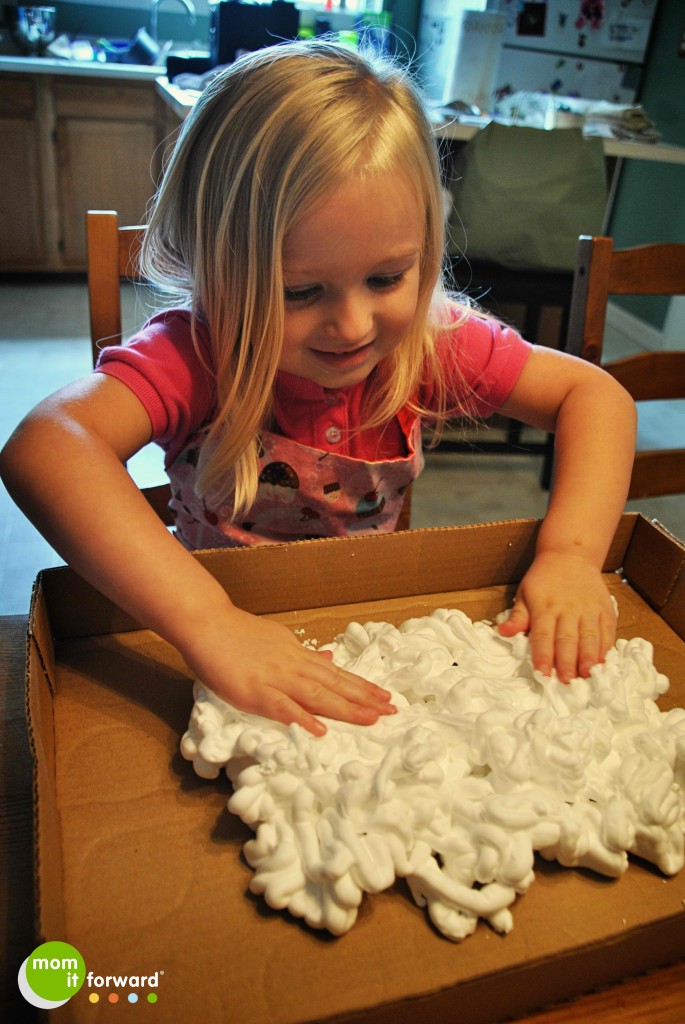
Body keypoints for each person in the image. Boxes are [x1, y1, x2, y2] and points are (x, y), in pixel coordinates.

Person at [0, 40, 636, 737]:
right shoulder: (199, 352)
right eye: (301, 290)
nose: (353, 324)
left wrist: (571, 558)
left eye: (387, 278)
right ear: (217, 269)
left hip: (368, 626)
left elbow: (594, 397)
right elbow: (45, 447)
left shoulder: (426, 340)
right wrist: (208, 623)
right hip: (217, 626)